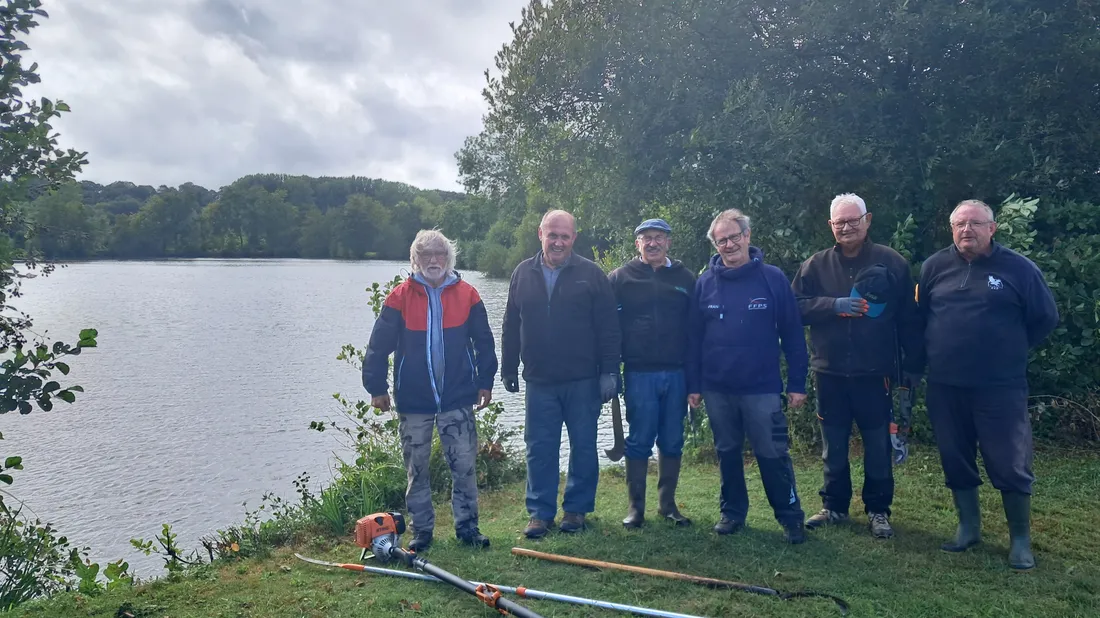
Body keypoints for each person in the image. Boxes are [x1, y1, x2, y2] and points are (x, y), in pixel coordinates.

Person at [913, 199, 1058, 570]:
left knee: (1010, 462)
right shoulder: (934, 267)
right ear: (951, 229)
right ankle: (968, 528)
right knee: (954, 457)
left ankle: (1020, 540)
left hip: (1000, 386)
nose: (967, 230)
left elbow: (1044, 318)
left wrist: (1008, 349)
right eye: (960, 224)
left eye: (976, 224)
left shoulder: (1019, 268)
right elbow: (922, 316)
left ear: (992, 228)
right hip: (945, 384)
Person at [790, 193, 923, 539]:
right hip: (829, 372)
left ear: (868, 220)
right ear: (830, 225)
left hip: (875, 373)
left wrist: (912, 366)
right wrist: (832, 305)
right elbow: (793, 308)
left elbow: (909, 320)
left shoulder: (892, 263)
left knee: (878, 445)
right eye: (840, 222)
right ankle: (834, 506)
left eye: (853, 220)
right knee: (833, 445)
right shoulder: (815, 265)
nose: (847, 227)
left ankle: (878, 510)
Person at [361, 229, 498, 552]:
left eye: (440, 254)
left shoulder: (468, 294)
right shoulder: (399, 297)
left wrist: (485, 381)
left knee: (464, 466)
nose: (433, 260)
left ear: (449, 258)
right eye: (426, 255)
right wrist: (376, 387)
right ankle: (421, 530)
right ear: (415, 259)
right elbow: (378, 346)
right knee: (417, 469)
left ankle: (468, 527)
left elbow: (484, 342)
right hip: (414, 400)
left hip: (458, 397)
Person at [687, 208, 810, 544]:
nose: (729, 245)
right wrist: (693, 384)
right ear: (715, 245)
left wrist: (797, 383)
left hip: (762, 388)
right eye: (721, 241)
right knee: (727, 452)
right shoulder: (704, 283)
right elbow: (693, 339)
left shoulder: (773, 278)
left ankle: (790, 517)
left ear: (747, 236)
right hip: (717, 388)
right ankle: (732, 513)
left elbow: (793, 334)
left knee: (773, 453)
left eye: (734, 237)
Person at [501, 209, 621, 539]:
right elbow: (511, 323)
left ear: (574, 238)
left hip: (583, 380)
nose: (557, 242)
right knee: (540, 448)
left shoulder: (591, 275)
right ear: (540, 234)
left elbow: (609, 328)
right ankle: (540, 514)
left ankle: (576, 510)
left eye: (564, 236)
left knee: (583, 446)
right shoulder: (522, 273)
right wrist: (508, 366)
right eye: (552, 235)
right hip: (539, 380)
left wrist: (610, 372)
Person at [608, 218, 696, 529]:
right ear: (638, 244)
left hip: (677, 373)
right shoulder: (620, 278)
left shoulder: (686, 278)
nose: (653, 243)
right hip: (638, 373)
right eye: (646, 238)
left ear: (668, 242)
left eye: (659, 237)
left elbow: (696, 330)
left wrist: (695, 378)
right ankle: (635, 508)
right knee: (639, 440)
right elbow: (607, 327)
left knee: (672, 440)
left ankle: (668, 505)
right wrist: (610, 369)